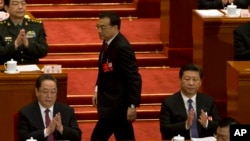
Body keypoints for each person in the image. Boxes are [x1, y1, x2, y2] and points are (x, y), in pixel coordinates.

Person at [91, 11, 142, 141]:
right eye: (97, 26)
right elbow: (104, 69)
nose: (99, 30)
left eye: (103, 27)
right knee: (125, 136)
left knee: (97, 138)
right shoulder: (108, 42)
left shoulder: (122, 47)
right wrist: (97, 89)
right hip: (111, 103)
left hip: (117, 106)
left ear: (115, 27)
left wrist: (132, 105)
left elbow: (133, 78)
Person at [160, 63, 221, 140]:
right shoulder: (169, 103)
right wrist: (185, 124)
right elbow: (164, 129)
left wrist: (206, 123)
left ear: (200, 82)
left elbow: (220, 126)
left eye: (195, 80)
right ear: (180, 80)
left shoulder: (208, 101)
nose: (191, 83)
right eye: (187, 79)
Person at [18, 74, 82, 141]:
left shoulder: (67, 111)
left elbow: (77, 136)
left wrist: (61, 128)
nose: (49, 96)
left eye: (53, 92)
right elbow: (23, 138)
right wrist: (47, 131)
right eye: (45, 92)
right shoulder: (26, 113)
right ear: (37, 92)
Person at [0, 0, 48, 64]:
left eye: (23, 3)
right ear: (7, 8)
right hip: (6, 70)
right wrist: (15, 44)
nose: (20, 7)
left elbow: (43, 51)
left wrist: (28, 44)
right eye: (15, 4)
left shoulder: (36, 26)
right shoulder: (1, 27)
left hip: (32, 70)